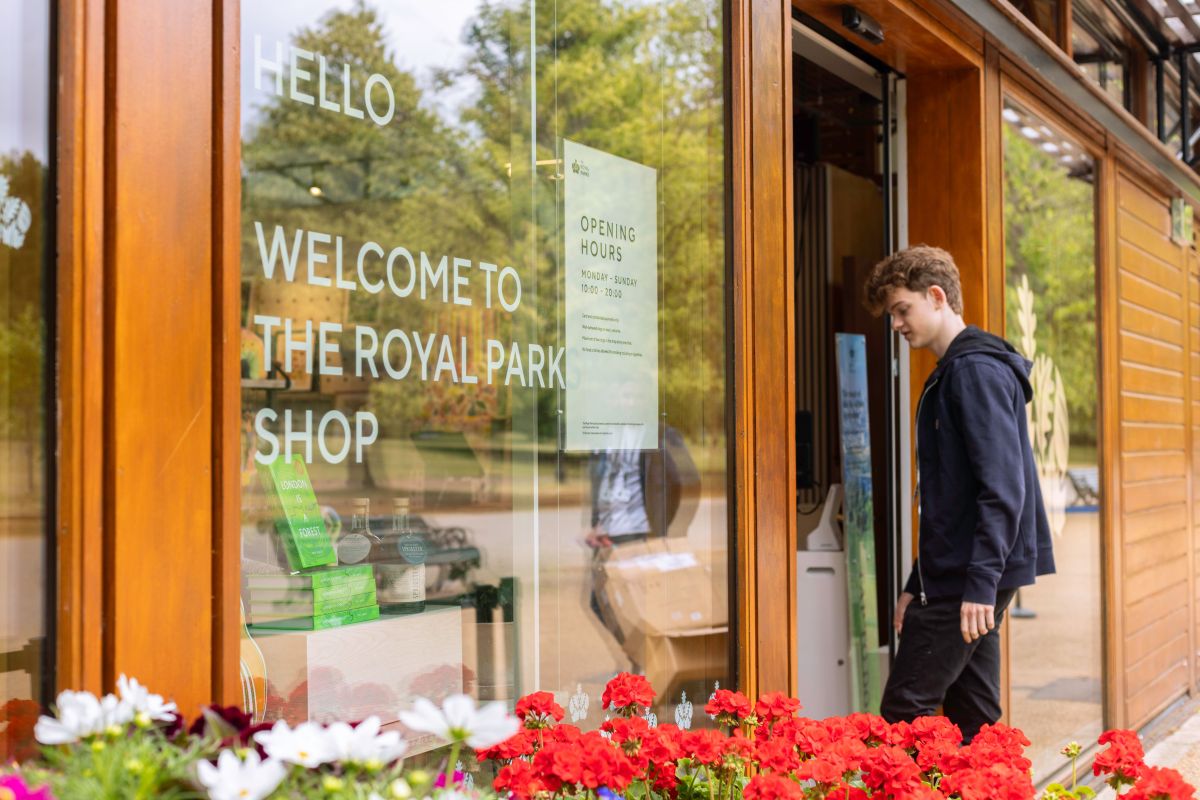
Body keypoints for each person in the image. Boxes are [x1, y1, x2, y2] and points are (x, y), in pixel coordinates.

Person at [863, 245, 1055, 743]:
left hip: (968, 576)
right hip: (960, 573)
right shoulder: (960, 370)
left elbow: (1002, 486)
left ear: (936, 296)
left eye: (902, 310)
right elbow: (950, 500)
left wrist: (980, 584)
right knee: (975, 717)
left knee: (903, 714)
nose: (896, 324)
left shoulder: (973, 372)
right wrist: (914, 582)